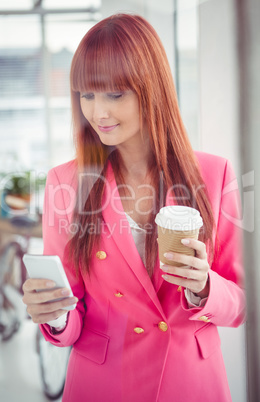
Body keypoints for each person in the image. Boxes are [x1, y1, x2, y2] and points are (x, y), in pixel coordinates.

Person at [22, 13, 245, 402]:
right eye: (86, 95)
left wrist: (204, 286)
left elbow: (243, 303)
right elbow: (71, 320)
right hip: (104, 385)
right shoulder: (66, 184)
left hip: (190, 383)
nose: (98, 113)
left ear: (151, 88)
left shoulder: (214, 174)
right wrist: (54, 314)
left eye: (115, 94)